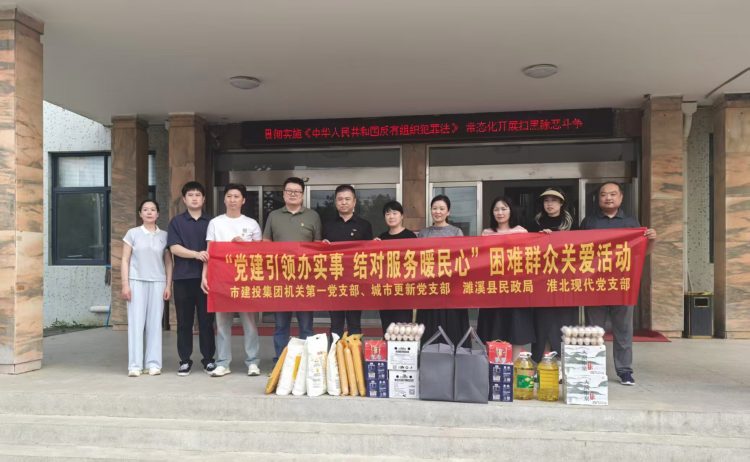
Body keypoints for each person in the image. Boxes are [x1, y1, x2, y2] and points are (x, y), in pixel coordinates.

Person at [581, 182, 657, 386]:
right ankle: (593, 369)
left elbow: (642, 253)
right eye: (604, 194)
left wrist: (651, 240)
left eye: (613, 194)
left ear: (621, 197)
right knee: (594, 331)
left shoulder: (631, 223)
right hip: (595, 285)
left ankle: (624, 370)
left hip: (622, 284)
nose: (608, 198)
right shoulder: (589, 222)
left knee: (623, 330)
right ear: (598, 198)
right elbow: (577, 251)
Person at [201, 184, 263, 377]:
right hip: (221, 278)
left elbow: (260, 254)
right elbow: (210, 252)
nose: (233, 199)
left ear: (243, 200)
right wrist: (205, 275)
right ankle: (223, 362)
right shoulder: (215, 223)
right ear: (224, 199)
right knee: (222, 324)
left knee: (250, 324)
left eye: (237, 196)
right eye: (229, 196)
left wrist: (244, 245)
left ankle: (252, 362)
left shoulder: (252, 224)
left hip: (245, 279)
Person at [263, 177, 322, 361]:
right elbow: (266, 242)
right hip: (281, 279)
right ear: (283, 194)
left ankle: (306, 363)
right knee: (281, 325)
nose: (293, 194)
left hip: (305, 280)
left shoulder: (313, 216)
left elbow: (318, 245)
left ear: (302, 195)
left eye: (297, 192)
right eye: (289, 191)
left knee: (306, 326)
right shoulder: (274, 216)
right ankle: (281, 363)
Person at [475, 196, 535, 358]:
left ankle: (513, 365)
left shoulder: (521, 232)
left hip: (515, 288)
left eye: (503, 209)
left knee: (515, 327)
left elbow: (529, 258)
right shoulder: (486, 233)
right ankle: (494, 364)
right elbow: (481, 259)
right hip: (493, 288)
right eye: (496, 209)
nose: (500, 213)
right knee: (493, 326)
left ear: (511, 211)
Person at [167, 181, 216, 376]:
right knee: (184, 322)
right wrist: (196, 254)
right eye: (190, 195)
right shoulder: (176, 222)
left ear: (204, 199)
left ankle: (208, 359)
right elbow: (174, 248)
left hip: (207, 280)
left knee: (206, 322)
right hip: (183, 278)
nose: (194, 198)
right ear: (184, 199)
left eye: (198, 195)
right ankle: (185, 360)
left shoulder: (212, 222)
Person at [121, 199, 173, 377]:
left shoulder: (164, 236)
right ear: (140, 214)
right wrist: (125, 284)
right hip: (136, 281)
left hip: (158, 282)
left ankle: (153, 364)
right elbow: (125, 260)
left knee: (155, 324)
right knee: (136, 323)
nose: (149, 212)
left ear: (158, 214)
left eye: (152, 209)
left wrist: (168, 285)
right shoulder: (132, 234)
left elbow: (168, 262)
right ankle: (135, 365)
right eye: (145, 209)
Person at [529, 188, 579, 363]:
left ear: (561, 203)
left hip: (564, 280)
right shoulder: (535, 223)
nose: (549, 204)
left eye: (554, 200)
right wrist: (539, 238)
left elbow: (580, 249)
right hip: (541, 281)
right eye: (546, 200)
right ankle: (542, 360)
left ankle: (562, 361)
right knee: (542, 321)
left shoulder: (572, 224)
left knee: (563, 320)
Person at [416, 195, 469, 346]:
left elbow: (461, 258)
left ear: (448, 212)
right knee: (430, 324)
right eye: (434, 208)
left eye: (441, 208)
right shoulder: (424, 233)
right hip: (430, 287)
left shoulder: (456, 232)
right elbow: (418, 259)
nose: (437, 212)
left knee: (451, 324)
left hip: (451, 288)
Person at [323, 185, 373, 337]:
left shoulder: (364, 225)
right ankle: (335, 353)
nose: (343, 202)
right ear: (335, 202)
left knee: (354, 323)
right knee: (335, 324)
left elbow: (370, 253)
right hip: (334, 280)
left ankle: (355, 353)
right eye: (340, 199)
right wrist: (321, 245)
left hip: (356, 281)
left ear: (354, 202)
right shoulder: (327, 225)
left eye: (347, 199)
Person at [375, 200, 416, 333]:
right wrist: (373, 247)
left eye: (394, 213)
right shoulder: (381, 238)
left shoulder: (410, 237)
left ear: (402, 216)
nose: (391, 216)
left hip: (404, 291)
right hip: (386, 291)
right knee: (387, 328)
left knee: (403, 329)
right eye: (387, 214)